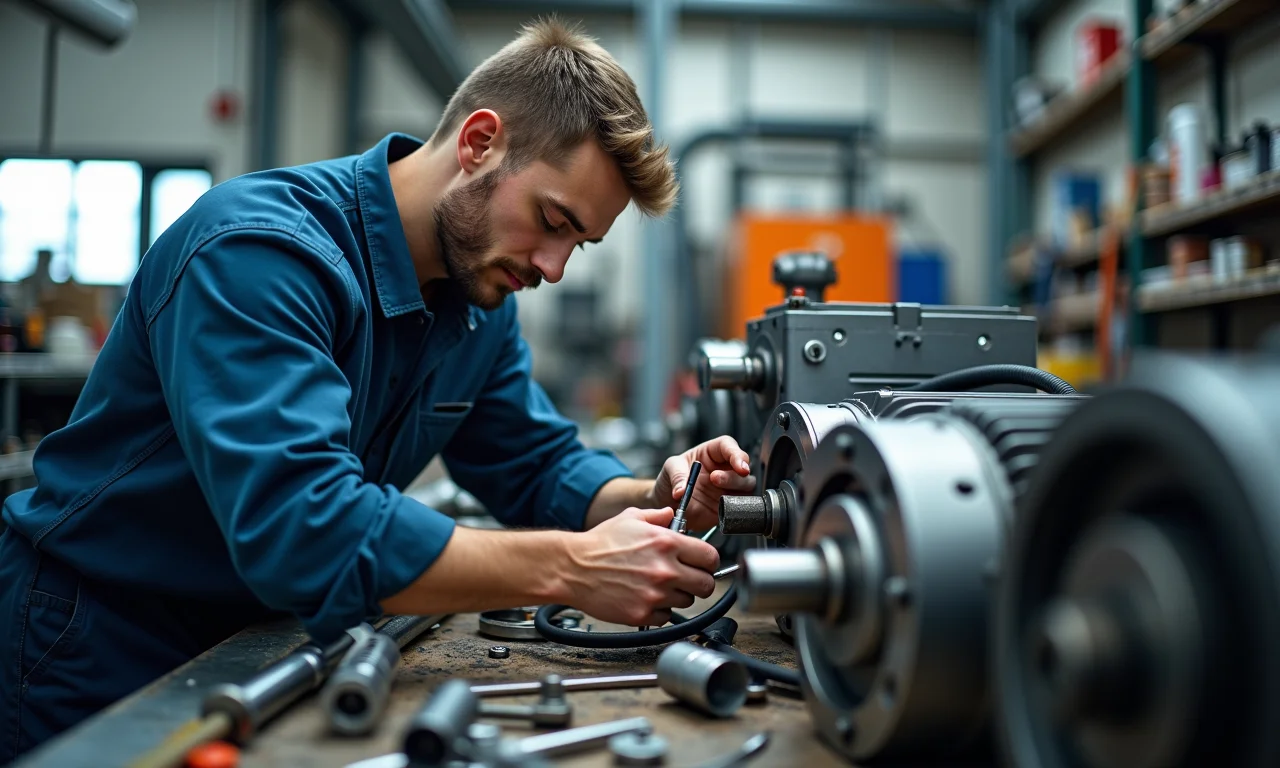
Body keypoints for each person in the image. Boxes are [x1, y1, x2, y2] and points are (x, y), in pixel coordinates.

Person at [0, 18, 756, 760]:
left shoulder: (475, 305)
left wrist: (647, 498)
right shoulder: (261, 253)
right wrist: (574, 566)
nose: (554, 268)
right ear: (479, 142)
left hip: (254, 637)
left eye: (579, 244)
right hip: (94, 634)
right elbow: (307, 529)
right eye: (552, 221)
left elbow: (533, 461)